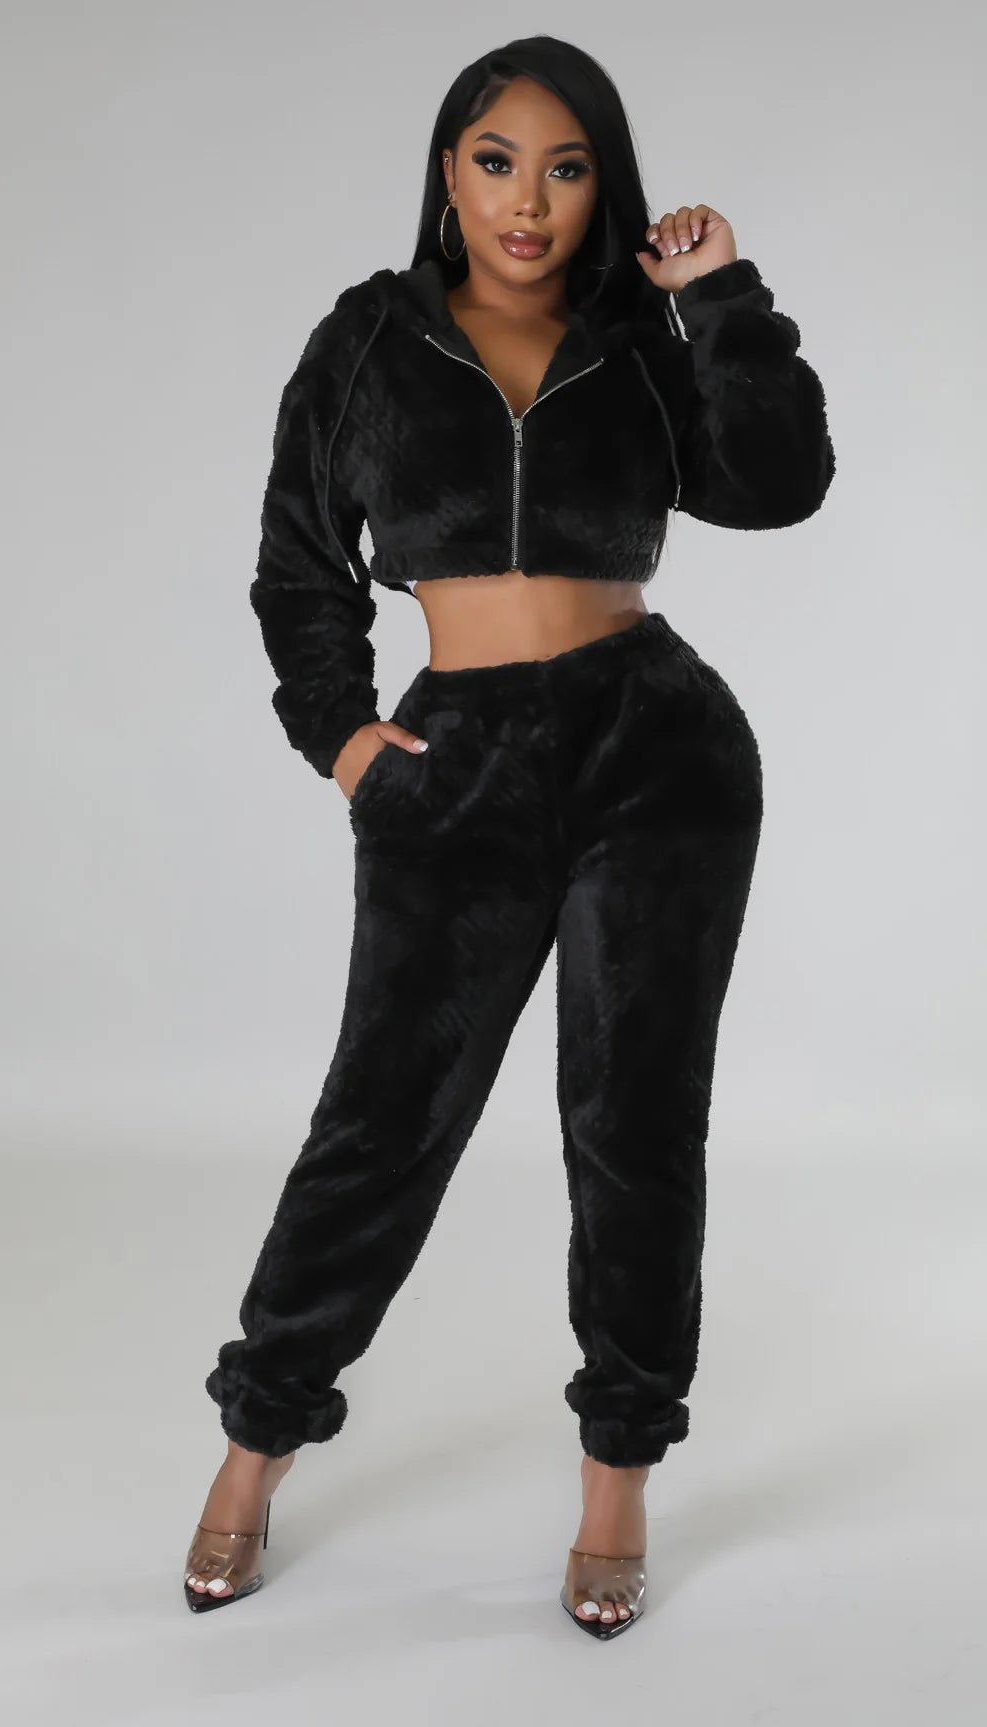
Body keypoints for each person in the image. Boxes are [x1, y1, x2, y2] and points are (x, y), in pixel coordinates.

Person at [183, 34, 834, 1636]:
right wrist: (342, 737)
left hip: (656, 749)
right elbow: (295, 560)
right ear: (448, 172)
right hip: (456, 764)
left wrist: (721, 298)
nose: (527, 202)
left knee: (634, 1124)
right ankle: (254, 1448)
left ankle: (618, 1477)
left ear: (604, 185)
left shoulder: (638, 336)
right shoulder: (370, 340)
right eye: (495, 162)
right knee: (381, 1123)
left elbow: (779, 483)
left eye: (565, 167)